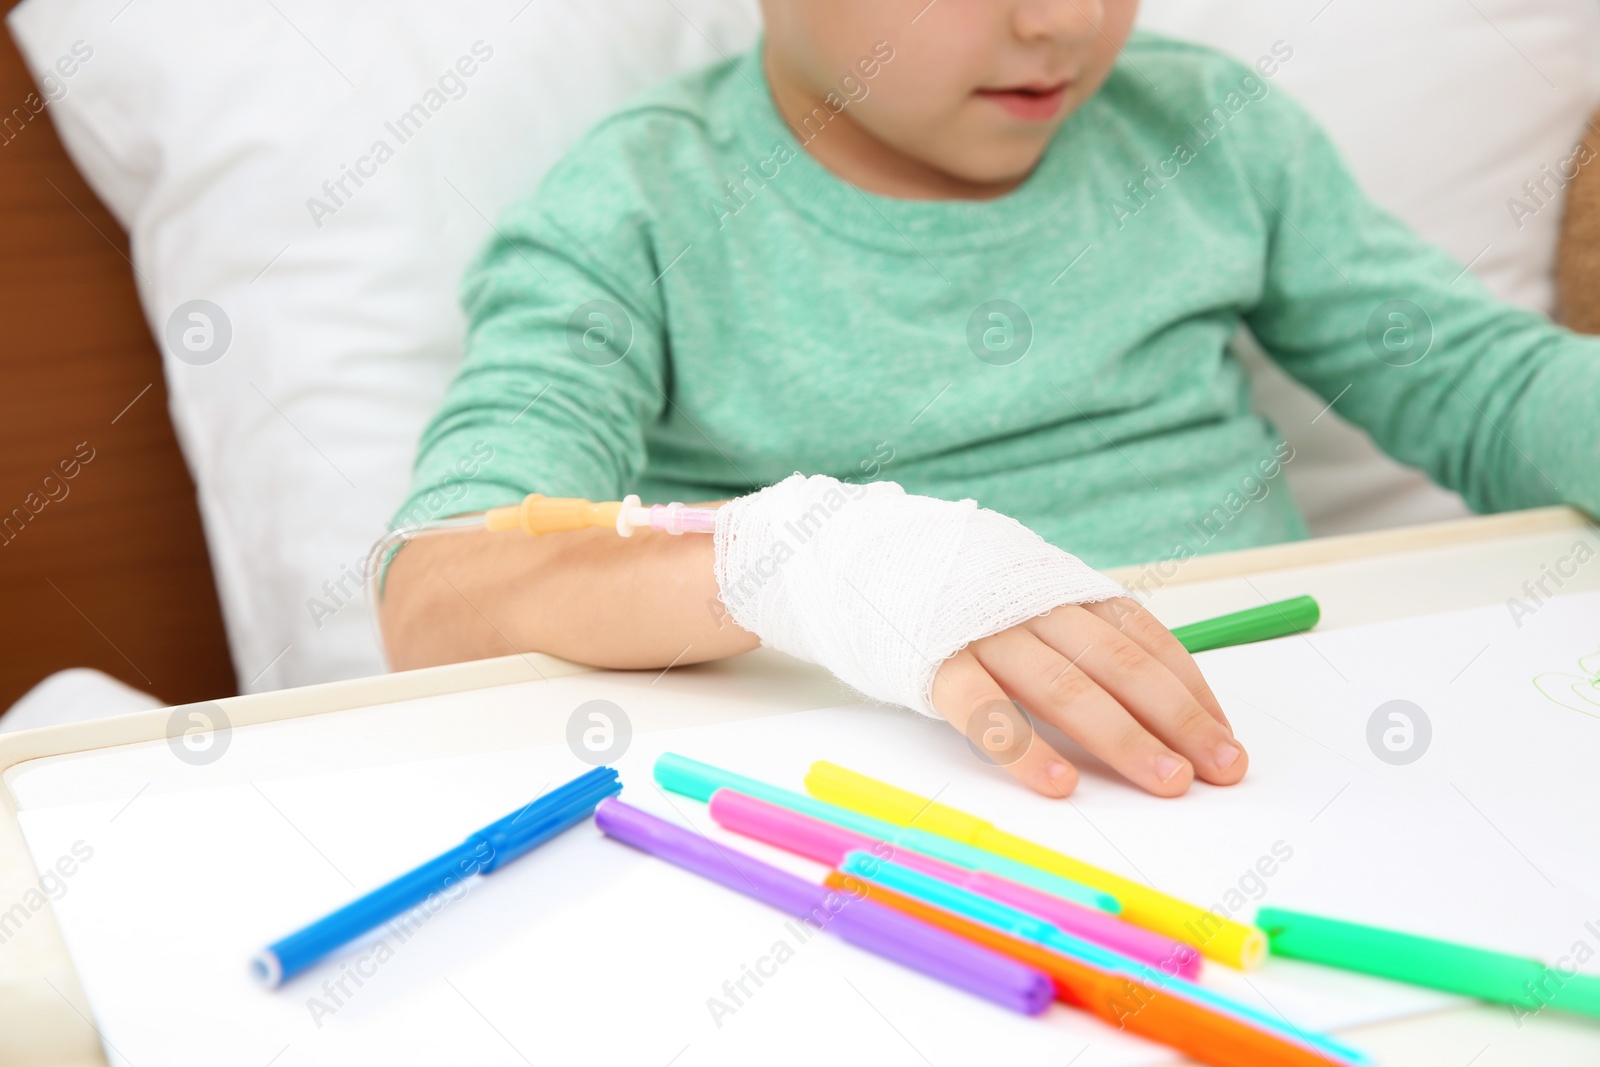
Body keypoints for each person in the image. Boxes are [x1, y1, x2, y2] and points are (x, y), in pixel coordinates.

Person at [380, 0, 1600, 799]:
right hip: (874, 812)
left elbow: (1484, 386)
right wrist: (819, 560)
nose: (1059, 21)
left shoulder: (1206, 130)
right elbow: (438, 587)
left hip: (1268, 750)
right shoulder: (636, 208)